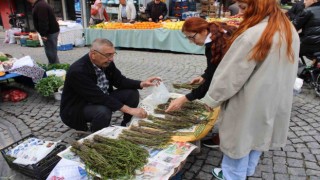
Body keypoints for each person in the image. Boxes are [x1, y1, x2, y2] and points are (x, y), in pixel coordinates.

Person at [201, 0, 300, 179]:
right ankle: (246, 172)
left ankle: (232, 176)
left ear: (258, 6)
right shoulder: (288, 29)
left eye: (244, 7)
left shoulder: (254, 34)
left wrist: (212, 99)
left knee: (239, 141)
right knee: (258, 138)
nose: (240, 12)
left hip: (250, 100)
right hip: (273, 98)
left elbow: (231, 75)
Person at [60, 38, 161, 132]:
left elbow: (120, 81)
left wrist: (141, 83)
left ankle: (126, 123)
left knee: (131, 93)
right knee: (103, 111)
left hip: (101, 97)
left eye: (113, 54)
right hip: (79, 107)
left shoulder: (106, 63)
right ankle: (96, 137)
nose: (111, 59)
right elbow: (98, 97)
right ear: (93, 54)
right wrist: (130, 110)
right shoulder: (78, 71)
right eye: (108, 55)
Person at [165, 18, 237, 148]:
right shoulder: (215, 37)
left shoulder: (218, 43)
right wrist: (204, 76)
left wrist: (185, 99)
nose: (191, 42)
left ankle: (229, 141)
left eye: (192, 37)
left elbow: (213, 81)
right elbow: (214, 67)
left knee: (234, 110)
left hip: (238, 81)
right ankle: (224, 136)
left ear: (203, 31)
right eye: (188, 38)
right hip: (235, 77)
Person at [27, 0, 60, 64]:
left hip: (50, 32)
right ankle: (54, 66)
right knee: (51, 52)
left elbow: (43, 21)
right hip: (50, 31)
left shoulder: (41, 5)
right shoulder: (39, 4)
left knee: (51, 53)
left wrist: (43, 34)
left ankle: (55, 68)